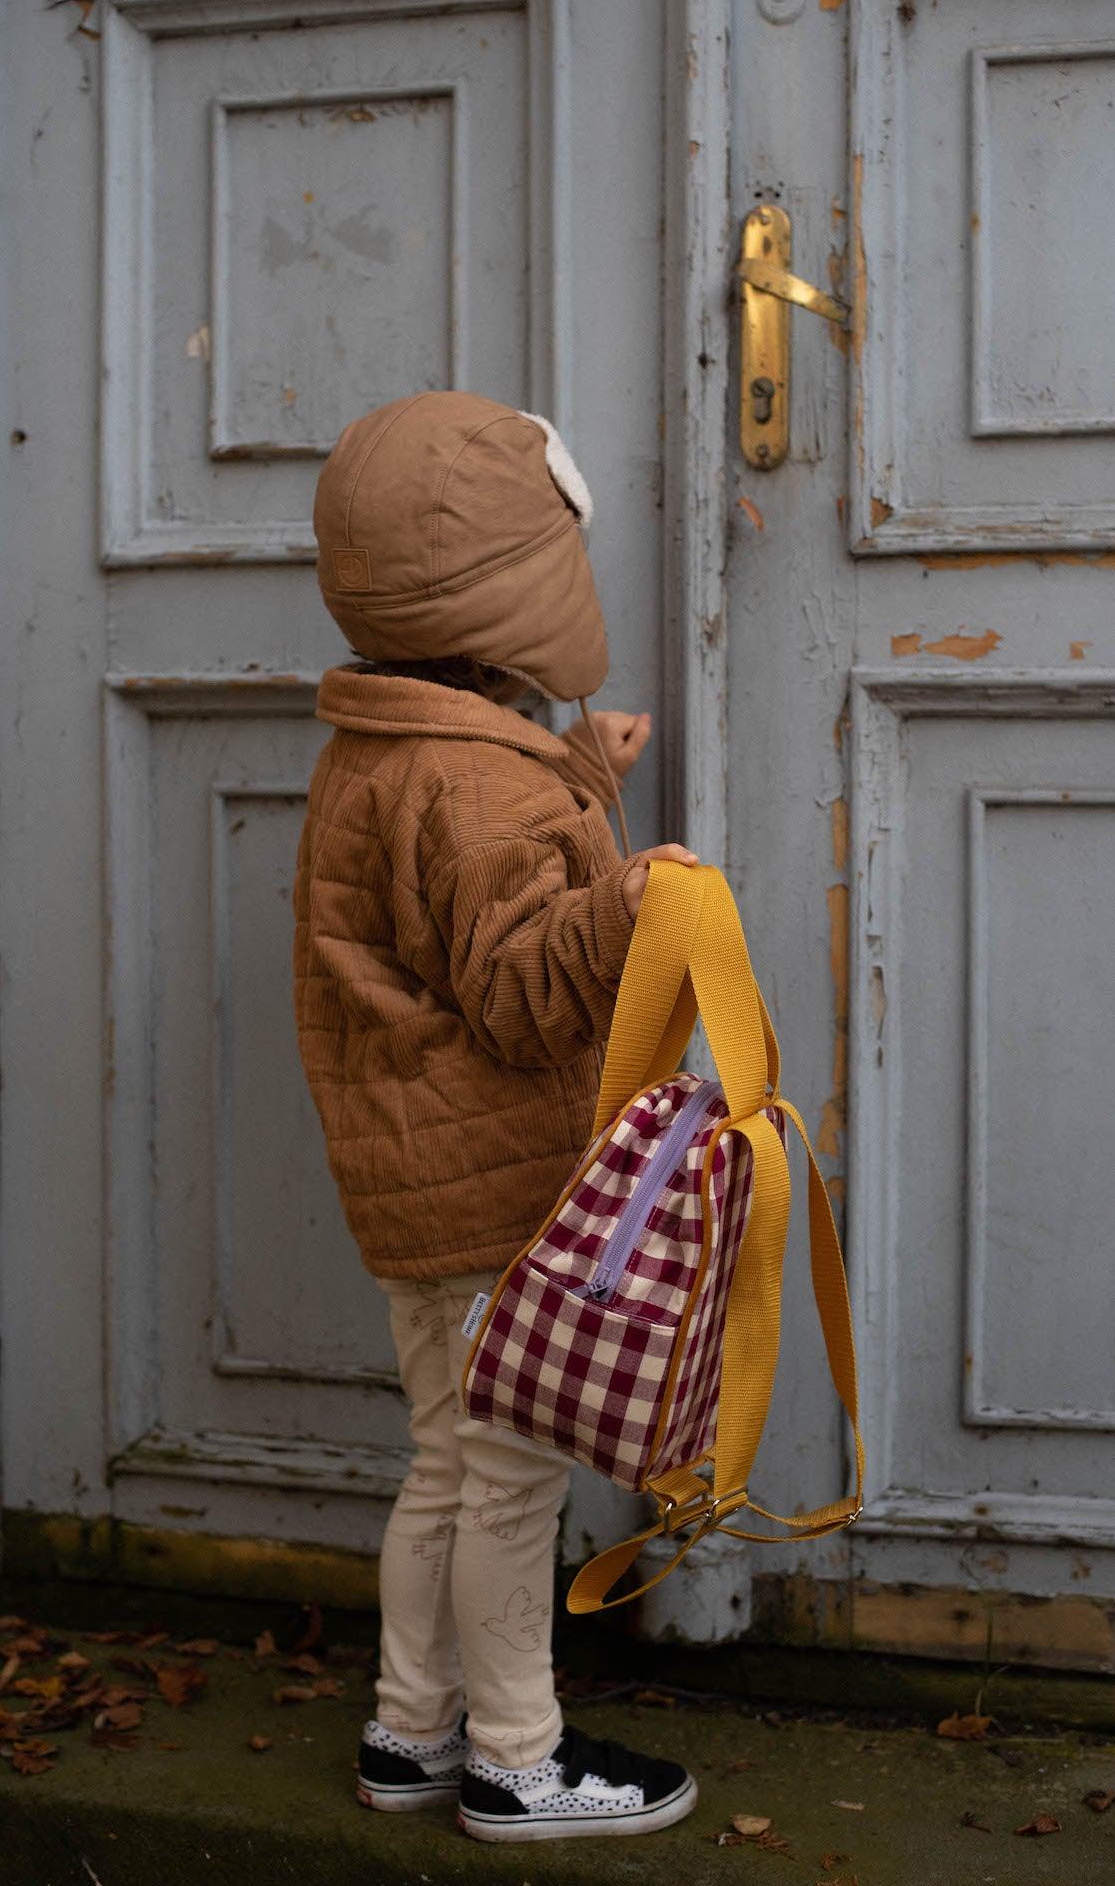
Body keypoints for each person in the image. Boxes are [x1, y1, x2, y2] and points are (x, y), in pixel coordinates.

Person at [292, 390, 700, 1842]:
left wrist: (573, 789)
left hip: (414, 1193)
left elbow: (449, 896)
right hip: (492, 1201)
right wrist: (627, 900)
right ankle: (517, 1760)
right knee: (510, 1484)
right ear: (524, 585)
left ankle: (409, 1731)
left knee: (448, 1463)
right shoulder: (474, 785)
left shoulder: (389, 750)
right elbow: (523, 992)